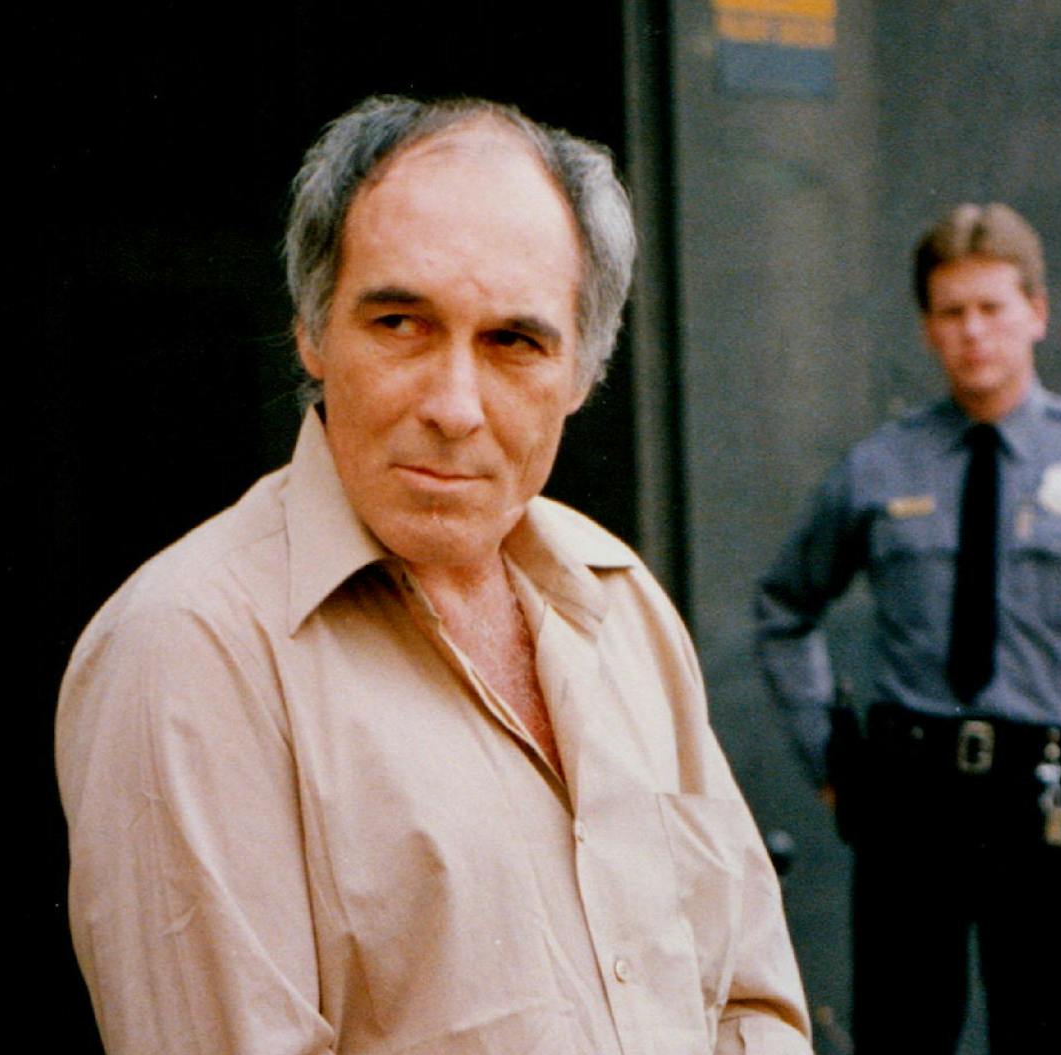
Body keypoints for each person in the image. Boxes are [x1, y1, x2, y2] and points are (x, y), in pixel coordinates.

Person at [57, 95, 812, 1055]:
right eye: (402, 322)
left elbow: (754, 1004)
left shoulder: (619, 600)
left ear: (580, 373)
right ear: (314, 331)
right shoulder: (192, 647)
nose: (454, 404)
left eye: (514, 341)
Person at [754, 203, 1061, 1052]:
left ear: (1037, 312)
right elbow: (784, 609)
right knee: (901, 1030)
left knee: (1039, 1032)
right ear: (927, 328)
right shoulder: (879, 467)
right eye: (951, 312)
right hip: (909, 794)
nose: (974, 332)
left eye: (993, 307)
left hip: (1046, 797)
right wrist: (832, 760)